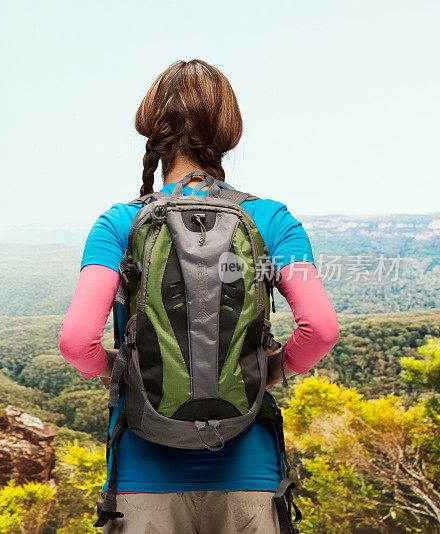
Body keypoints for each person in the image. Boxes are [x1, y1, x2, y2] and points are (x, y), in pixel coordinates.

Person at [58, 59, 340, 533]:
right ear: (228, 130)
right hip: (250, 479)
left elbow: (75, 342)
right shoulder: (271, 219)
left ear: (153, 127)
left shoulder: (118, 223)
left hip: (141, 483)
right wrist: (270, 370)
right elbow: (322, 329)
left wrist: (122, 373)